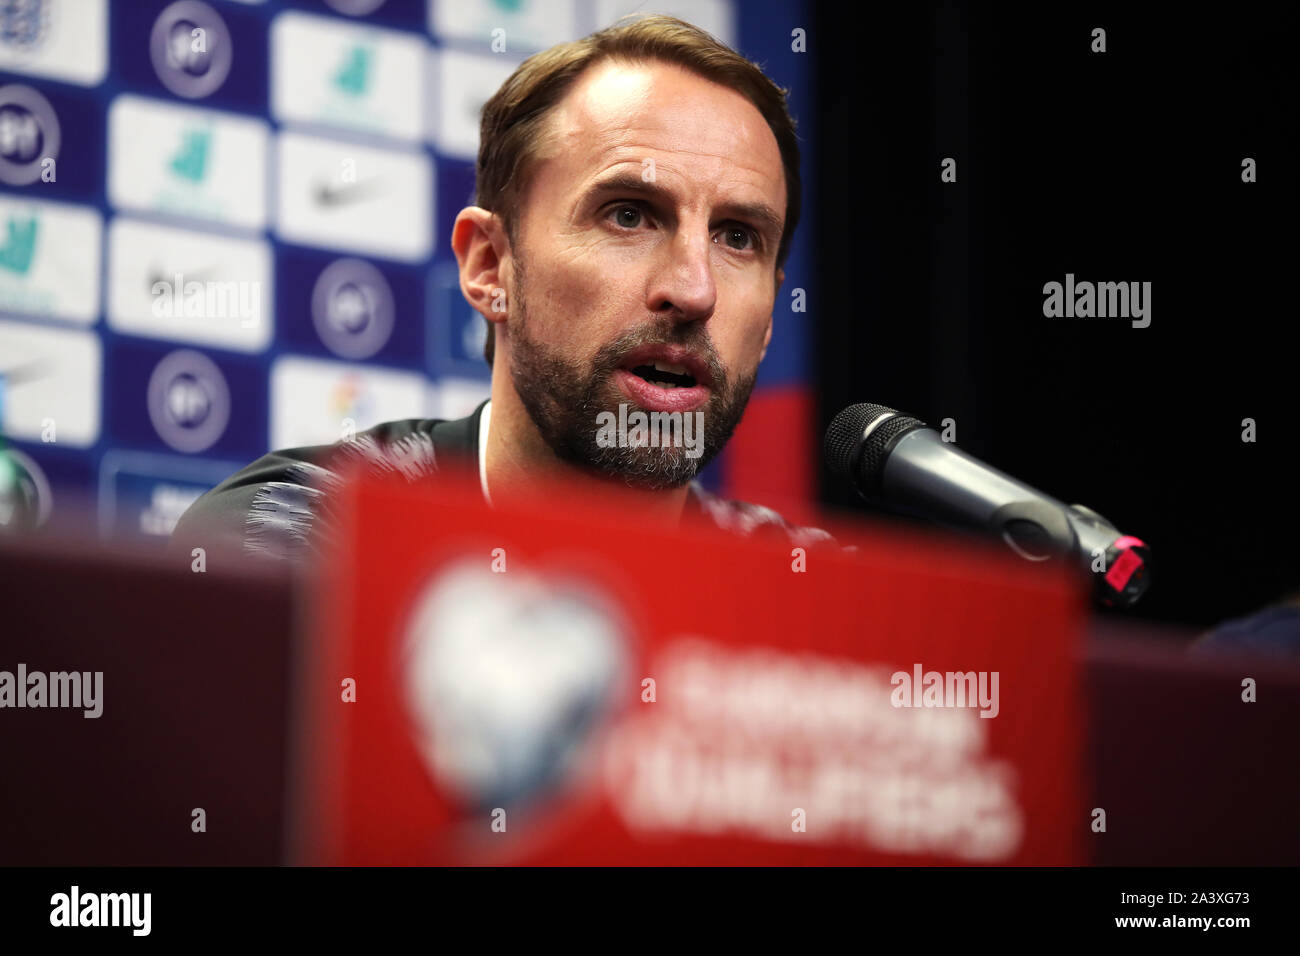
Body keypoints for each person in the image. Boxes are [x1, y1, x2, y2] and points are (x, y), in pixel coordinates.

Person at [172, 14, 831, 562]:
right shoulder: (304, 542)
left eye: (738, 237)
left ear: (772, 315)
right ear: (490, 267)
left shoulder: (819, 601)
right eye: (628, 214)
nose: (695, 290)